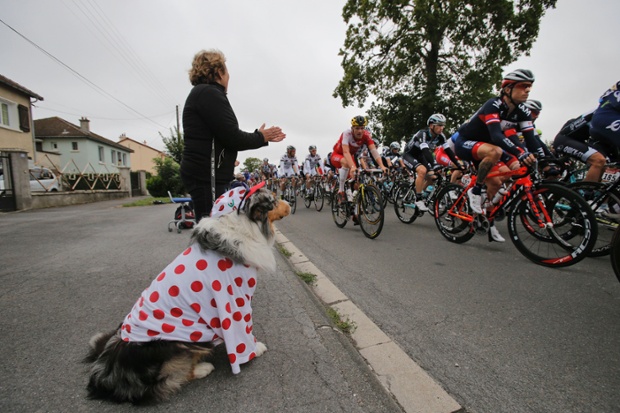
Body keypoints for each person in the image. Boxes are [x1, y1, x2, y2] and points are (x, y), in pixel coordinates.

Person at [180, 49, 286, 221]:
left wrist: (259, 136)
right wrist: (261, 137)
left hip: (206, 174)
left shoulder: (204, 93)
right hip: (207, 176)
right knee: (213, 233)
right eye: (227, 72)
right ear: (219, 72)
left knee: (213, 232)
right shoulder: (209, 94)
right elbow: (233, 138)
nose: (229, 77)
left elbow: (226, 135)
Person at [454, 69, 539, 242]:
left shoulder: (523, 111)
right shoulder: (493, 104)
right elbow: (496, 136)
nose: (527, 90)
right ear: (508, 89)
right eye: (523, 86)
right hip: (466, 142)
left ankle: (487, 218)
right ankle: (475, 191)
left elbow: (532, 140)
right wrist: (519, 153)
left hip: (488, 148)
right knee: (496, 151)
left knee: (504, 176)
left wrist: (542, 158)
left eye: (529, 86)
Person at [403, 114, 458, 211]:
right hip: (409, 155)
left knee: (433, 177)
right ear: (432, 125)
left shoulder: (441, 136)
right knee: (422, 171)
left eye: (443, 125)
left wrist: (457, 164)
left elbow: (449, 151)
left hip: (421, 156)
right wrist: (434, 165)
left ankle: (421, 194)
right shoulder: (422, 134)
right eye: (439, 125)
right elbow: (425, 151)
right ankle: (418, 199)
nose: (442, 128)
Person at [331, 115, 387, 202]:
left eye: (362, 128)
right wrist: (352, 167)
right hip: (337, 155)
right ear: (352, 128)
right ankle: (341, 191)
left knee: (357, 178)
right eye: (357, 128)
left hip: (351, 156)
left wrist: (382, 166)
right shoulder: (347, 133)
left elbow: (374, 151)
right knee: (347, 163)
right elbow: (346, 152)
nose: (360, 131)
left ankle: (354, 205)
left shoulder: (366, 135)